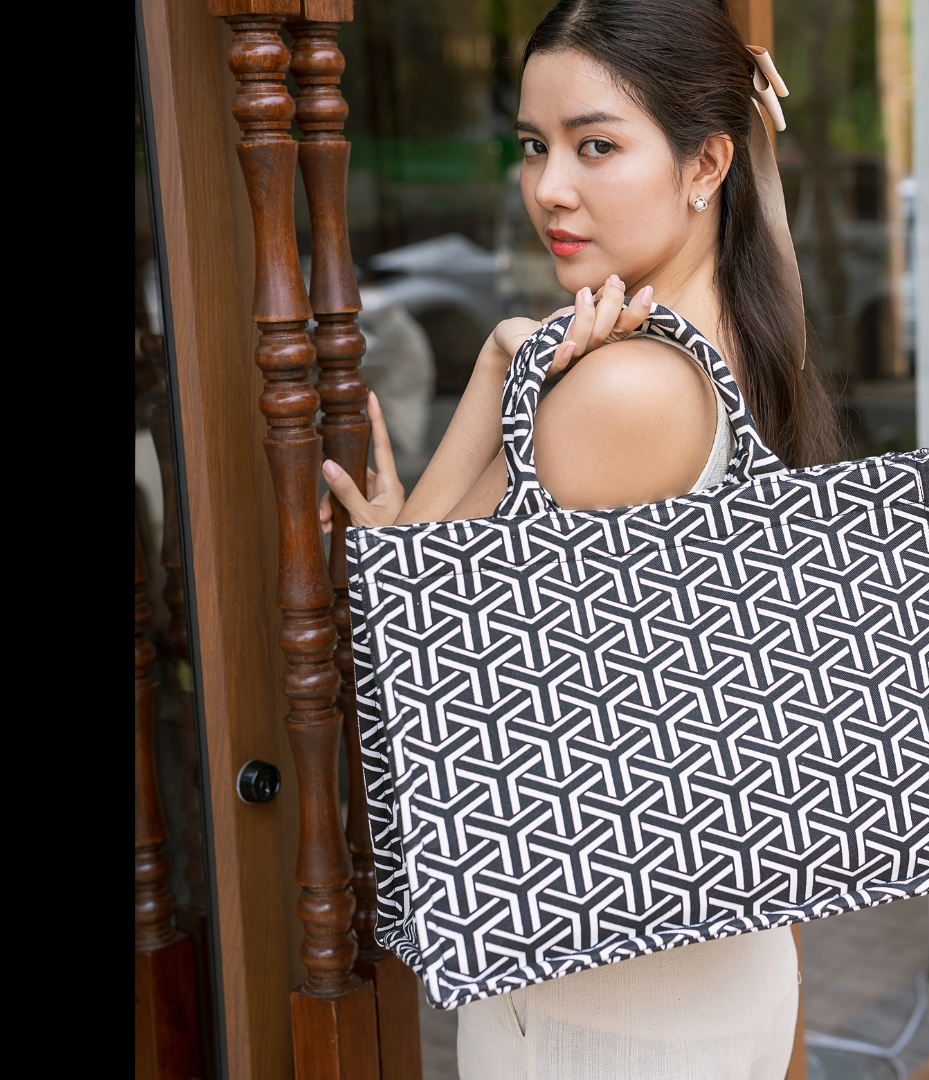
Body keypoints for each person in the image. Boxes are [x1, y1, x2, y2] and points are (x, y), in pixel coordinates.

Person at [320, 2, 839, 1076]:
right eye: (533, 146)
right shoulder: (743, 337)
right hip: (722, 968)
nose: (549, 187)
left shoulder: (621, 389)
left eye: (596, 145)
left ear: (707, 165)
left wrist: (498, 376)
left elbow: (428, 681)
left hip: (598, 1007)